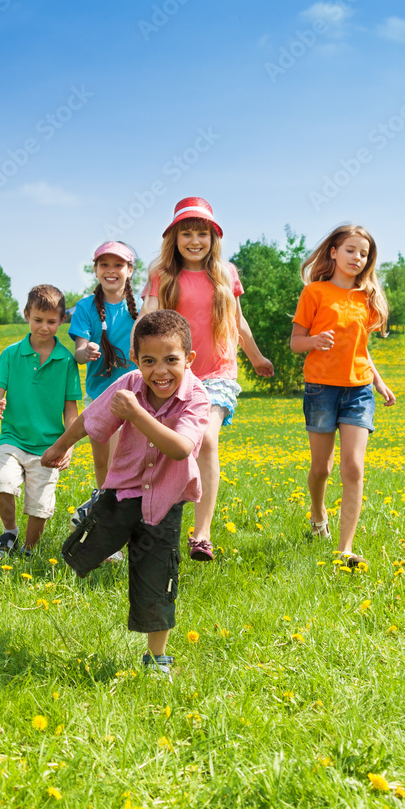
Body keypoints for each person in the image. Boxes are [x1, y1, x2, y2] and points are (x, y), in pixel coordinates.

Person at [41, 310, 210, 677]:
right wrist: (60, 447)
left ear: (189, 359)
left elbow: (181, 448)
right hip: (122, 493)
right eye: (149, 361)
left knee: (157, 574)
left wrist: (136, 416)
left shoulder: (197, 398)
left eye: (171, 360)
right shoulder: (129, 384)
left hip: (165, 502)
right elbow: (92, 418)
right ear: (136, 359)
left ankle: (157, 657)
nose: (160, 371)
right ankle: (96, 525)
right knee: (78, 554)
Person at [138, 197, 273, 561]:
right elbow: (149, 317)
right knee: (170, 448)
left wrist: (257, 358)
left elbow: (238, 322)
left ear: (213, 238)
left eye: (202, 233)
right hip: (175, 374)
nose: (194, 241)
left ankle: (202, 534)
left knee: (207, 440)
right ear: (174, 238)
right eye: (187, 233)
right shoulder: (162, 274)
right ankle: (157, 523)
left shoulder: (226, 273)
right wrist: (142, 359)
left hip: (218, 372)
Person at [289, 224, 396, 567]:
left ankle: (344, 549)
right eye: (351, 250)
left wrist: (378, 382)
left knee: (353, 466)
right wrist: (314, 342)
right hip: (321, 388)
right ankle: (317, 512)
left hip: (359, 389)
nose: (357, 258)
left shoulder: (367, 298)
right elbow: (295, 343)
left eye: (363, 254)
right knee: (322, 468)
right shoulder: (314, 293)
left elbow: (361, 349)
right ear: (334, 252)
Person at [0, 284, 81, 559]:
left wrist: (68, 446)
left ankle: (28, 550)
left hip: (49, 446)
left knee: (40, 506)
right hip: (13, 438)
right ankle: (10, 533)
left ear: (62, 320)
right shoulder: (10, 354)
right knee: (2, 483)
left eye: (52, 321)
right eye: (38, 320)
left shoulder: (66, 361)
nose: (44, 327)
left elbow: (70, 410)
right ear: (27, 314)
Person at [68, 241, 139, 546]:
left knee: (134, 462)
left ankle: (128, 524)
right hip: (101, 397)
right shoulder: (85, 308)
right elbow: (79, 351)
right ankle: (106, 527)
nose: (111, 271)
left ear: (129, 271)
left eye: (118, 265)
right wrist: (88, 351)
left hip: (138, 396)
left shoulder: (141, 306)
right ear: (96, 269)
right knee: (104, 464)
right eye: (104, 265)